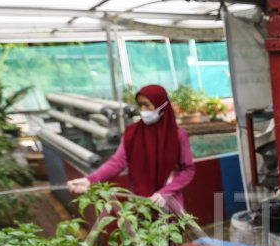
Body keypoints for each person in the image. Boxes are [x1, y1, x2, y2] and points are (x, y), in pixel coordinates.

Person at [67, 84, 195, 215]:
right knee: (142, 226)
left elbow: (187, 170)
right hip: (140, 202)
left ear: (161, 105)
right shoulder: (132, 133)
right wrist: (89, 180)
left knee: (169, 227)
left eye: (147, 105)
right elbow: (117, 163)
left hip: (168, 203)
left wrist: (165, 193)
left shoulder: (178, 136)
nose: (143, 110)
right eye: (140, 105)